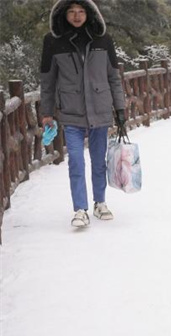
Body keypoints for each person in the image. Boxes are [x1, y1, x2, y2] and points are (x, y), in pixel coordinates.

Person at [39, 0, 126, 228]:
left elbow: (114, 78)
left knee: (99, 161)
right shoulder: (53, 42)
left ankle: (100, 203)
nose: (77, 16)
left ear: (89, 14)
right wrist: (47, 113)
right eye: (71, 12)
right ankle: (80, 209)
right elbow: (47, 82)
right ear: (63, 14)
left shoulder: (103, 40)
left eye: (81, 11)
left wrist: (120, 110)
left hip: (100, 108)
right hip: (71, 111)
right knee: (76, 161)